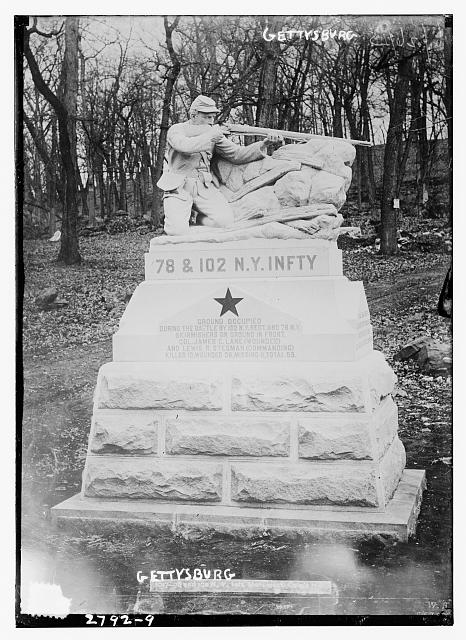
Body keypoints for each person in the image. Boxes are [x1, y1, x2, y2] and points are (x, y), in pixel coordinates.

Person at [157, 95, 282, 235]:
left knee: (225, 222)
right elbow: (185, 146)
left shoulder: (213, 134)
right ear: (193, 115)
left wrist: (264, 143)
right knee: (176, 231)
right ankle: (182, 229)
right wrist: (211, 135)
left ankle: (197, 227)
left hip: (204, 186)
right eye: (207, 117)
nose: (211, 121)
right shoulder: (177, 129)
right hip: (178, 186)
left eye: (212, 117)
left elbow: (237, 154)